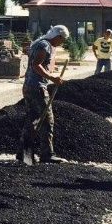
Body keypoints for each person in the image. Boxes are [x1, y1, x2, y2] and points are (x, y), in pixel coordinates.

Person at [18, 25, 69, 165]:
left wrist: (50, 71)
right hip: (37, 87)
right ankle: (47, 154)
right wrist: (52, 78)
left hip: (29, 86)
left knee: (32, 119)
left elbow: (39, 64)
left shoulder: (39, 43)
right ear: (57, 36)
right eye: (62, 40)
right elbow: (36, 65)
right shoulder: (45, 45)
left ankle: (24, 154)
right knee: (47, 120)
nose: (62, 43)